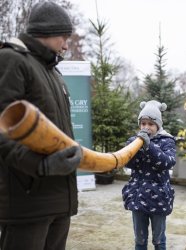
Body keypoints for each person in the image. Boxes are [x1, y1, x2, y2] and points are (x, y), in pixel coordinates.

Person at [0, 2, 82, 250]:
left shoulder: (54, 74)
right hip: (27, 202)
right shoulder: (11, 60)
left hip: (59, 199)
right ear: (44, 32)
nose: (67, 45)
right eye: (63, 37)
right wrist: (41, 165)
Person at [122, 100, 176, 250]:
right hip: (137, 197)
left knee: (159, 239)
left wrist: (149, 146)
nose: (146, 127)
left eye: (150, 124)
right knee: (139, 239)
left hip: (158, 197)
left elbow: (168, 162)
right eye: (143, 123)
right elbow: (128, 163)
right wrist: (137, 147)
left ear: (158, 125)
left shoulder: (167, 141)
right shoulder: (133, 141)